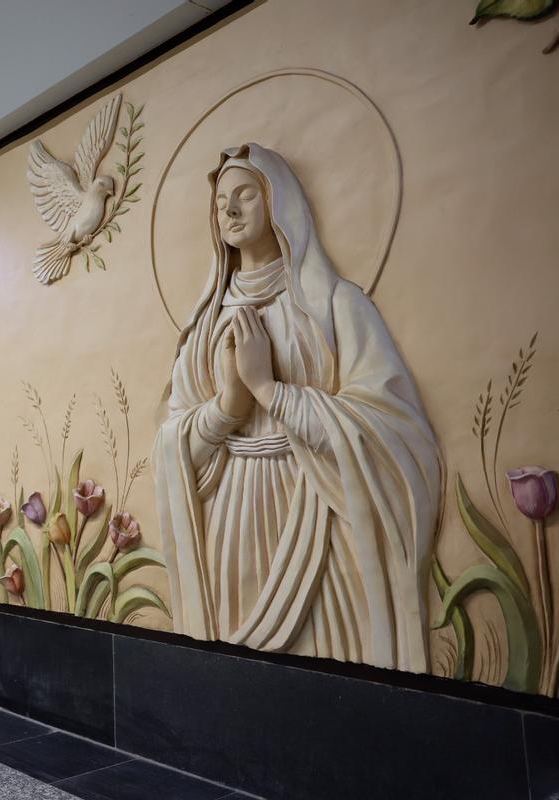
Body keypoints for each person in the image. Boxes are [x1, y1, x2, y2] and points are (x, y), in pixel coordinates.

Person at [152, 144, 442, 673]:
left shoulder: (333, 305)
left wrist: (270, 391)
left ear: (278, 202)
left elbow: (392, 426)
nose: (231, 212)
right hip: (229, 524)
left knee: (333, 658)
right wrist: (227, 407)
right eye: (221, 204)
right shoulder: (202, 327)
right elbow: (173, 444)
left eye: (245, 196)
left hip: (314, 510)